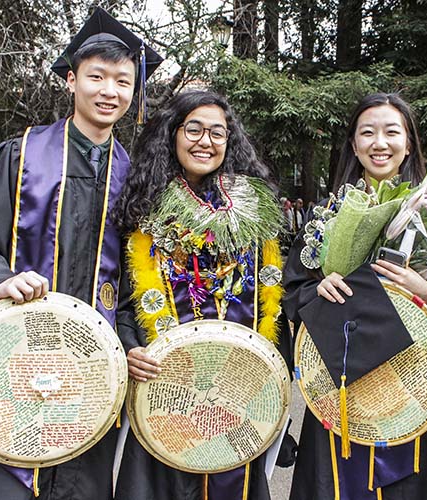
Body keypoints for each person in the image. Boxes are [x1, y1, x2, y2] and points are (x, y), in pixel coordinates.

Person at [0, 7, 162, 500]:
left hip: (92, 368)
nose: (110, 91)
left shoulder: (137, 179)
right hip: (18, 355)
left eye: (123, 81)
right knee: (7, 475)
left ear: (134, 92)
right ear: (71, 80)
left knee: (82, 480)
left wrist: (129, 341)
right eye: (97, 77)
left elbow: (138, 284)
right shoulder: (22, 156)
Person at [282, 92, 427, 500]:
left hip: (412, 386)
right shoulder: (327, 215)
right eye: (367, 132)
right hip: (340, 389)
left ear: (408, 142)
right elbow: (294, 287)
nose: (380, 142)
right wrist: (316, 289)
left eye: (391, 132)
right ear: (354, 144)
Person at [113, 90, 291, 500]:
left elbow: (272, 302)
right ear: (172, 135)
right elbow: (121, 299)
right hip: (164, 392)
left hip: (235, 394)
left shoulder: (251, 210)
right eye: (193, 129)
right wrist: (128, 347)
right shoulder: (144, 206)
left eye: (217, 132)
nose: (205, 141)